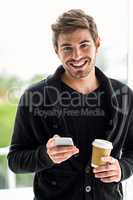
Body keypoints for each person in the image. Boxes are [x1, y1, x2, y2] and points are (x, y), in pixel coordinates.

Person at [7, 9, 133, 200]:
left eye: (84, 45)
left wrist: (122, 168)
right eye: (67, 47)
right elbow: (15, 161)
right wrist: (45, 156)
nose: (76, 55)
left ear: (97, 44)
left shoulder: (123, 95)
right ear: (56, 50)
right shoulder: (34, 97)